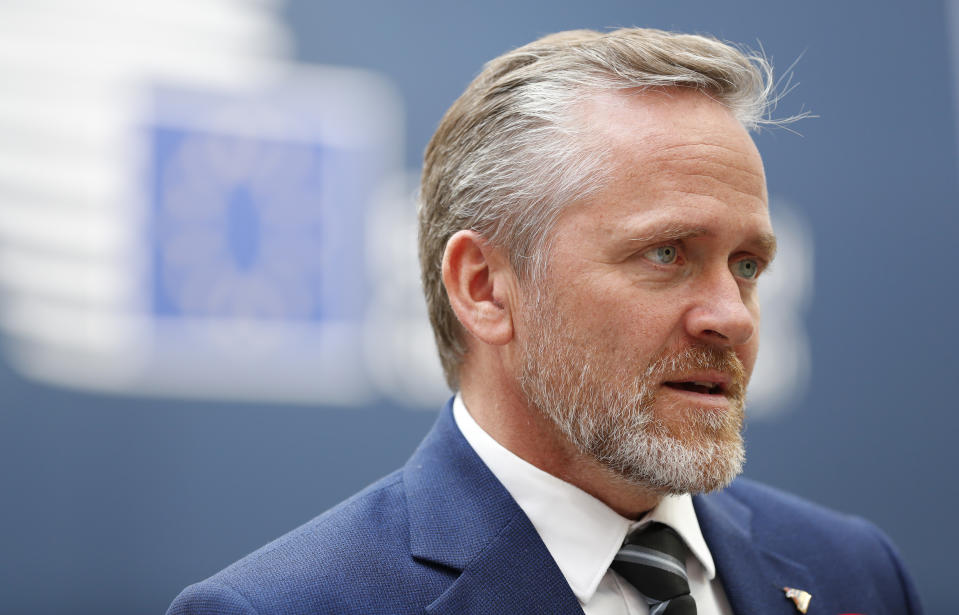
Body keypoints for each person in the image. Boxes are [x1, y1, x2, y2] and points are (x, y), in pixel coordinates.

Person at [168, 27, 923, 615]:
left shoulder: (852, 570)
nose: (731, 315)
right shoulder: (285, 606)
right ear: (485, 287)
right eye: (666, 253)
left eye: (748, 265)